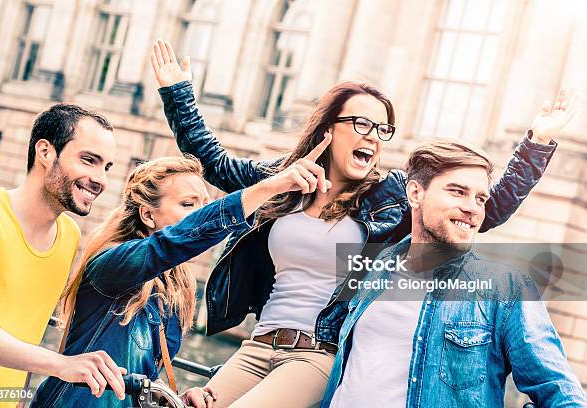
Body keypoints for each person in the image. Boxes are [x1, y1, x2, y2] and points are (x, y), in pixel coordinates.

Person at [150, 39, 575, 407]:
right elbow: (216, 165)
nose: (373, 135)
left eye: (382, 128)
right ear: (329, 130)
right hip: (257, 345)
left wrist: (537, 144)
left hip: (319, 355)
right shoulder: (286, 179)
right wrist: (177, 93)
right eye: (361, 123)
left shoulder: (389, 194)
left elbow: (484, 209)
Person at [33, 147, 332, 408]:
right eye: (188, 205)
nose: (200, 213)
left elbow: (144, 376)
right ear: (148, 215)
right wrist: (269, 187)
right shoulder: (111, 265)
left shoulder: (176, 287)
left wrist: (179, 396)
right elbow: (171, 243)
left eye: (203, 204)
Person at [321, 139, 587, 407]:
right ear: (415, 193)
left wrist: (538, 143)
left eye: (480, 198)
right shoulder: (375, 266)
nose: (472, 207)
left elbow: (561, 391)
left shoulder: (505, 289)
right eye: (458, 192)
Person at [0, 104, 127, 406]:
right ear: (45, 152)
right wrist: (62, 365)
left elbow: (27, 332)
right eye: (89, 160)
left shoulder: (68, 236)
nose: (101, 179)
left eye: (106, 167)